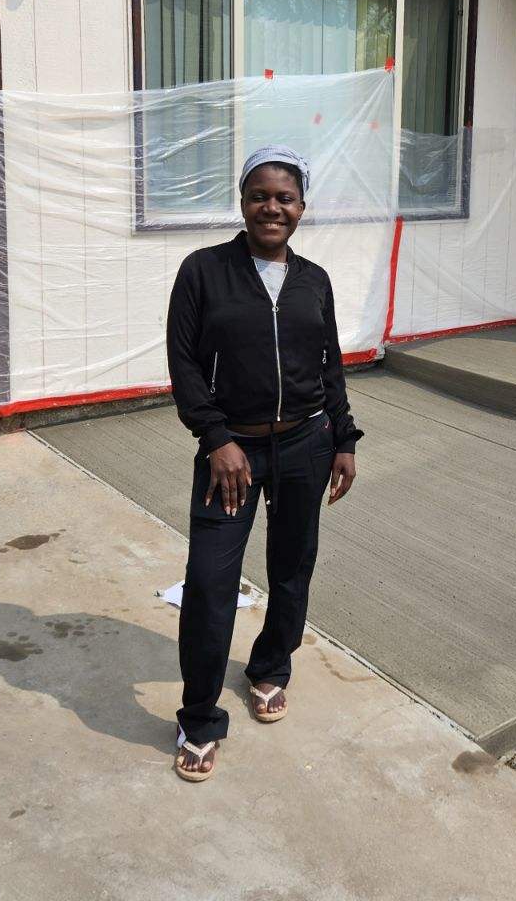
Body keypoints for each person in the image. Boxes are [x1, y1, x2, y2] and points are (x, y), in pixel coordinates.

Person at [164, 145, 362, 782]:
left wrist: (344, 438)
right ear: (242, 202)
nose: (271, 208)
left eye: (284, 198)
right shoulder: (204, 271)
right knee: (209, 581)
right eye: (259, 196)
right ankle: (199, 718)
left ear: (302, 207)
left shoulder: (314, 280)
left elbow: (330, 365)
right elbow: (184, 364)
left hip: (306, 444)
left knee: (293, 567)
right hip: (232, 454)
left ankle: (271, 665)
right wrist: (215, 437)